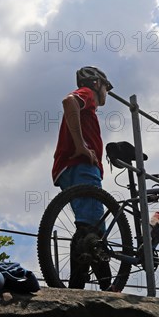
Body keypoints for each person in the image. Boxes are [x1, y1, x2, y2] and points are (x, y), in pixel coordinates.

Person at [51, 66, 114, 290]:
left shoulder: (91, 109)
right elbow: (69, 102)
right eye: (107, 87)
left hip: (71, 168)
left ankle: (77, 287)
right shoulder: (88, 94)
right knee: (92, 230)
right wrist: (81, 146)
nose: (107, 92)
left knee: (89, 230)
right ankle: (107, 289)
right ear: (97, 83)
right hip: (80, 165)